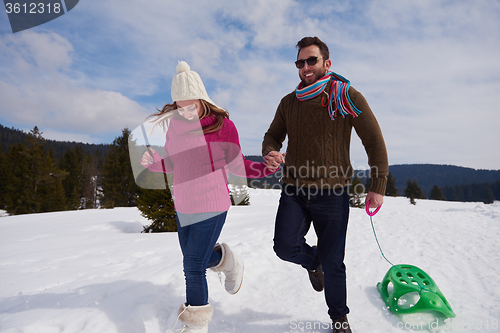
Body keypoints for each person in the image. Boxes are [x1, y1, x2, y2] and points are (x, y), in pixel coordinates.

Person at [262, 37, 388, 333]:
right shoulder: (288, 103)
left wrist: (378, 185)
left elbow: (373, 141)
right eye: (300, 62)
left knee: (335, 262)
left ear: (326, 63)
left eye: (311, 61)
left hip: (333, 192)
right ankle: (313, 263)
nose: (305, 67)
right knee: (284, 246)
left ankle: (339, 318)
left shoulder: (345, 96)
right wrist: (270, 151)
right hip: (294, 188)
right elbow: (272, 135)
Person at [141, 61, 277, 333]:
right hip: (184, 206)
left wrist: (266, 168)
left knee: (192, 266)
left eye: (191, 105)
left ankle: (196, 326)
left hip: (212, 205)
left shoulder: (223, 126)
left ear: (203, 100)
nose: (186, 111)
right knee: (199, 260)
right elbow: (174, 162)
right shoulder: (175, 127)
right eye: (180, 106)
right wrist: (156, 163)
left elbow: (237, 166)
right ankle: (228, 261)